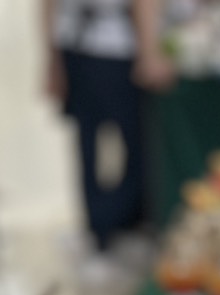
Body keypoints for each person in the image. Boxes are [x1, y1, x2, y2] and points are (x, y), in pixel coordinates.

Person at [42, 0, 173, 271]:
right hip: (82, 46)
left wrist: (149, 50)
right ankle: (101, 234)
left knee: (131, 146)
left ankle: (123, 227)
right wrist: (52, 61)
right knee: (95, 146)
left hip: (117, 47)